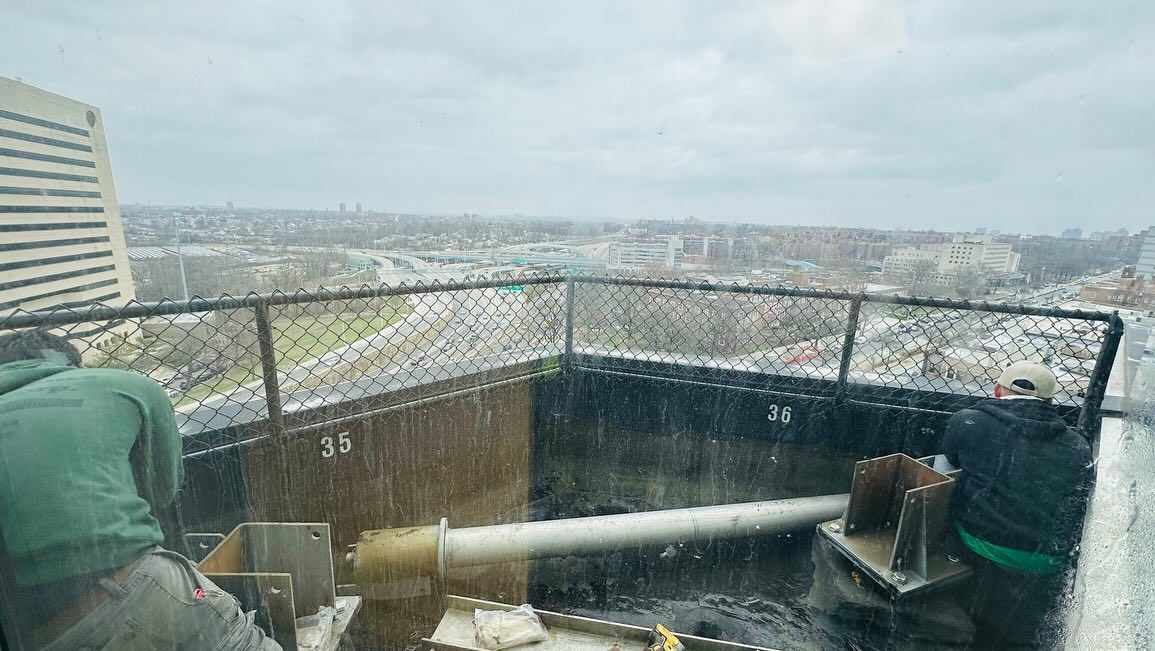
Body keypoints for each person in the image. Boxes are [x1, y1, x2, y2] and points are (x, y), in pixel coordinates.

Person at [0, 330, 279, 650]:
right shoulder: (125, 386)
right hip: (136, 586)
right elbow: (161, 489)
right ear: (73, 363)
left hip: (27, 635)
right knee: (240, 640)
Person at [942, 360, 1093, 648]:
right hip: (1049, 562)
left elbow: (952, 458)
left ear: (997, 391)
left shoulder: (969, 421)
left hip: (983, 545)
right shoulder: (1078, 446)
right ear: (1050, 402)